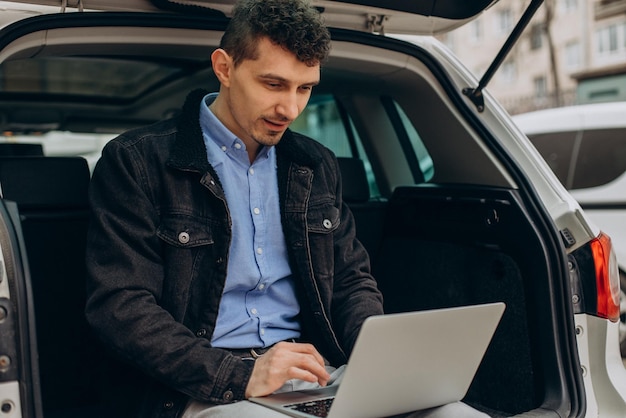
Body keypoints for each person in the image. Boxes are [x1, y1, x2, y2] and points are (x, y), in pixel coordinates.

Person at [85, 0, 488, 417]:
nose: (290, 109)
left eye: (305, 88)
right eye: (273, 84)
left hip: (314, 374)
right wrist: (238, 375)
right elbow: (121, 307)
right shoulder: (136, 161)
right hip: (199, 385)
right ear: (224, 68)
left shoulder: (315, 165)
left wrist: (377, 356)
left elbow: (350, 281)